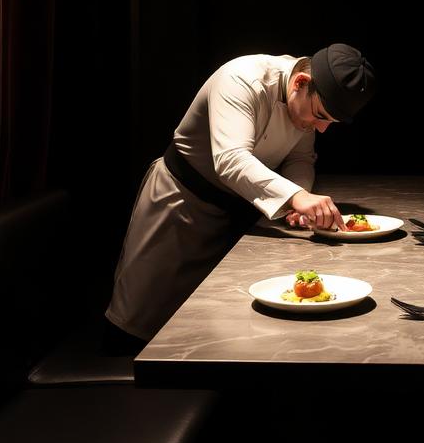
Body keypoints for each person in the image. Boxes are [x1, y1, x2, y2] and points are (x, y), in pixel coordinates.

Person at [103, 43, 378, 349]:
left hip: (236, 213)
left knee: (207, 334)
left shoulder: (305, 95)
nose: (322, 128)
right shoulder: (242, 79)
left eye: (330, 122)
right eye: (320, 116)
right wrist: (296, 196)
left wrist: (296, 203)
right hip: (180, 204)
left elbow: (299, 159)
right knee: (137, 321)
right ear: (301, 83)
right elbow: (230, 160)